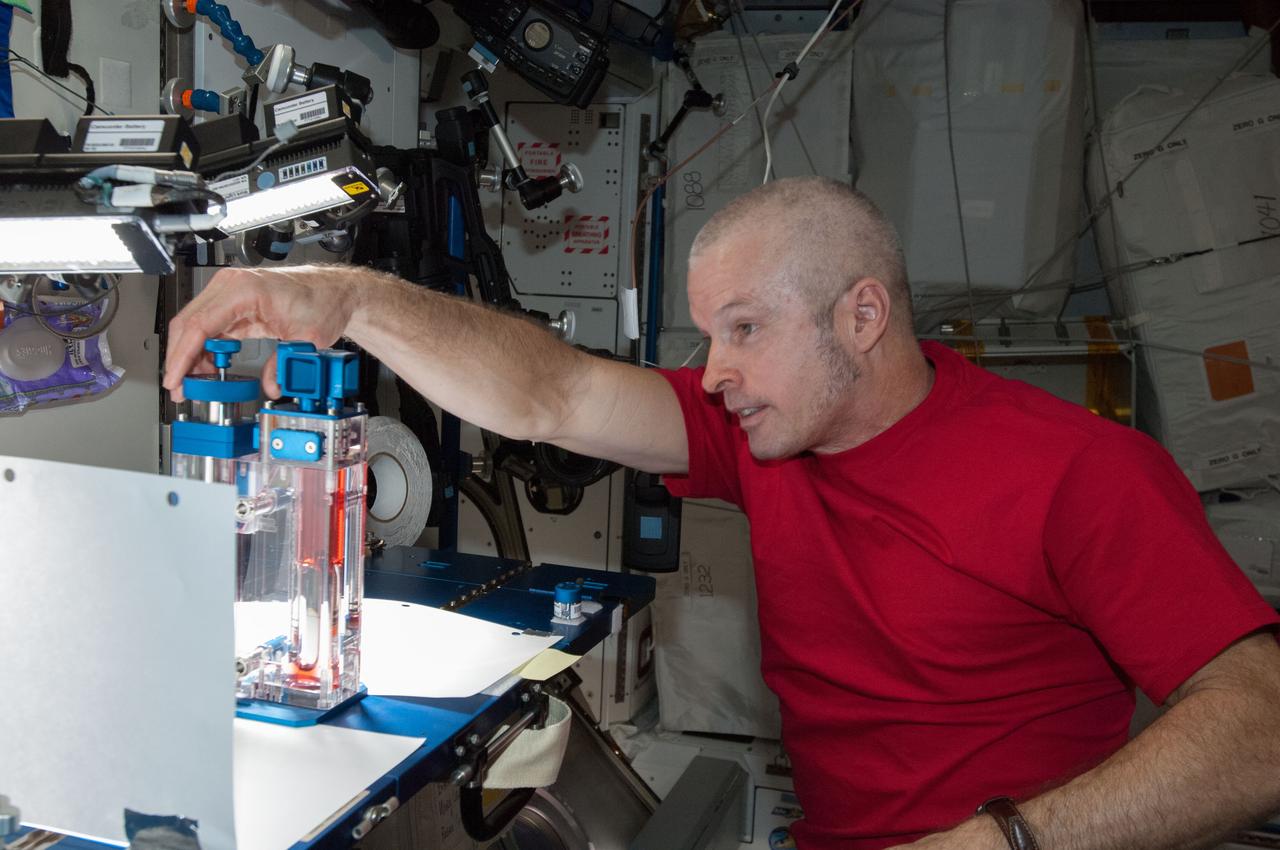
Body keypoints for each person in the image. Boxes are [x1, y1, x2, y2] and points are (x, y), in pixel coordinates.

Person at [164, 177, 1280, 850]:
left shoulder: (1080, 471)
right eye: (708, 336)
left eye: (743, 329)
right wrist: (350, 298)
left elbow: (1260, 726)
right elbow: (552, 392)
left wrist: (1005, 840)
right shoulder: (758, 431)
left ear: (861, 316)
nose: (713, 372)